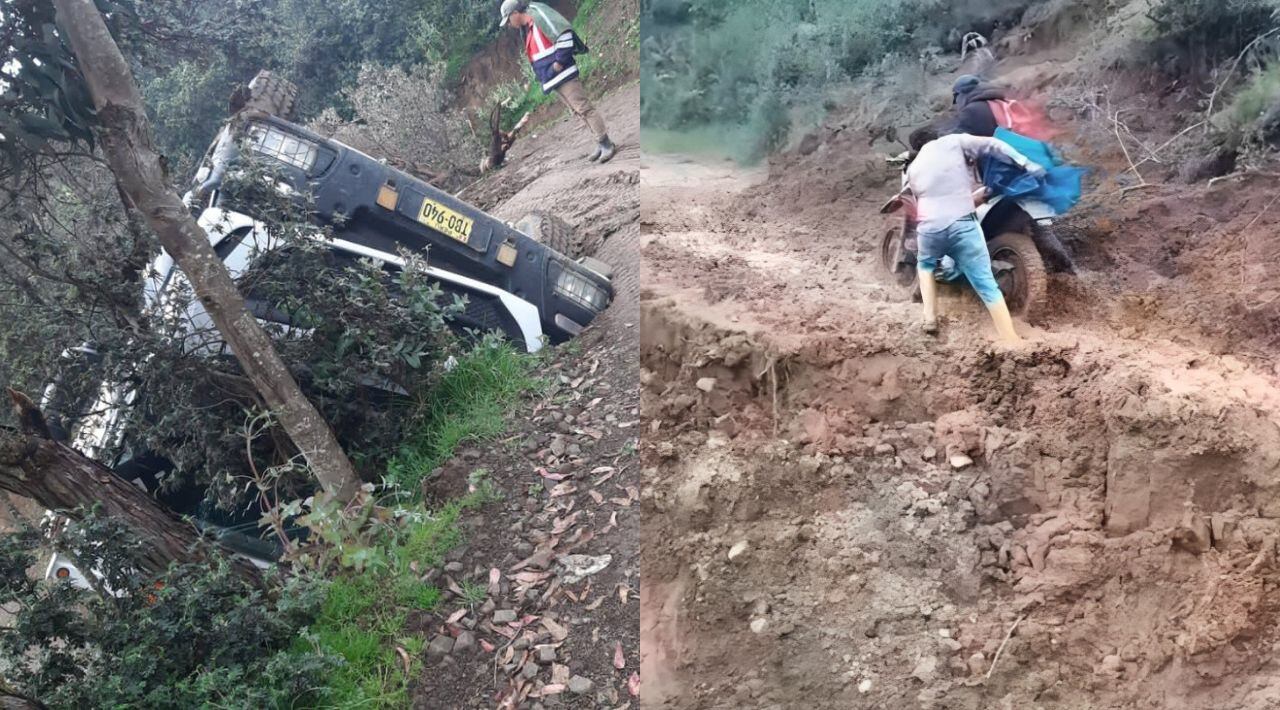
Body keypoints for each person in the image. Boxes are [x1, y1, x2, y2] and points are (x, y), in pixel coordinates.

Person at [904, 126, 1045, 343]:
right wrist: (1026, 163)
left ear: (916, 147)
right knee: (986, 283)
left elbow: (916, 200)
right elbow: (993, 144)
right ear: (937, 136)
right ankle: (1010, 339)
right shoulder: (954, 142)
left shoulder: (913, 169)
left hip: (930, 227)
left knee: (925, 266)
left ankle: (930, 317)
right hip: (963, 221)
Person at [500, 0, 615, 163]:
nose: (509, 25)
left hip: (563, 74)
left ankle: (606, 144)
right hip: (553, 78)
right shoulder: (528, 29)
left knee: (584, 108)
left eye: (508, 20)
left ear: (515, 14)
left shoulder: (540, 19)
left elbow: (565, 34)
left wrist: (558, 64)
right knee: (578, 112)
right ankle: (599, 141)